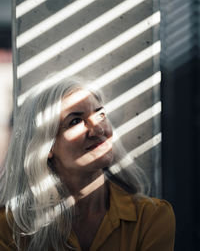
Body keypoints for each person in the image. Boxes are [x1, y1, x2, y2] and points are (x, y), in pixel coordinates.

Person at [0, 78, 175, 251]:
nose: (98, 129)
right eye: (75, 121)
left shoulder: (151, 218)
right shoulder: (9, 230)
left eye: (101, 114)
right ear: (47, 145)